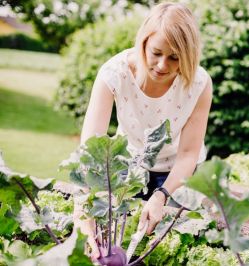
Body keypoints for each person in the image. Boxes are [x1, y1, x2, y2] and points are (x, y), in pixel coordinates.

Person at [73, 1, 213, 259]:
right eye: (156, 52)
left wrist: (162, 195)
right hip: (131, 166)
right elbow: (89, 151)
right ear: (143, 43)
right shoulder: (113, 74)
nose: (162, 65)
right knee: (111, 231)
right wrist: (85, 208)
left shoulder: (199, 83)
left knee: (175, 240)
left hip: (178, 171)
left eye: (174, 58)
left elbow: (188, 154)